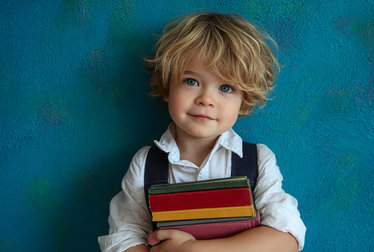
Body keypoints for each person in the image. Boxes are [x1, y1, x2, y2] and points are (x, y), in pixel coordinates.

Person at [98, 12, 306, 252]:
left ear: (244, 100)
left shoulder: (257, 161)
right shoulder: (145, 164)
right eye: (191, 82)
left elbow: (288, 236)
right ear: (167, 86)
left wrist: (195, 249)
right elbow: (123, 237)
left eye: (225, 87)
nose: (206, 99)